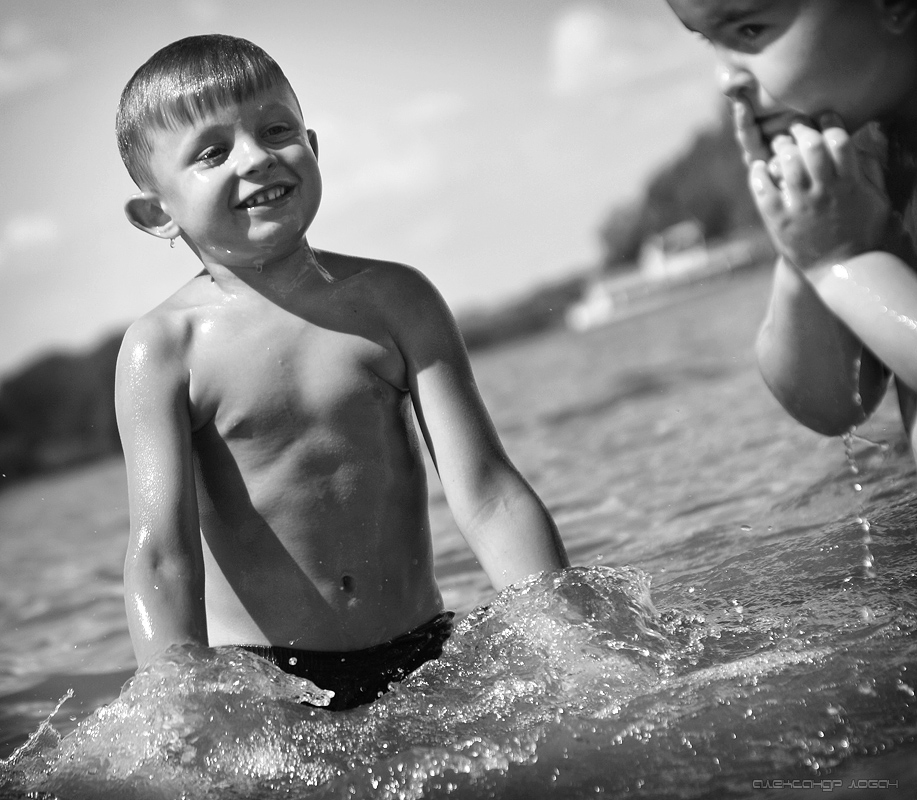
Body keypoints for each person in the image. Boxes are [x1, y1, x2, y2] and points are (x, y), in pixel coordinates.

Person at [114, 34, 569, 710]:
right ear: (158, 213)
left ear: (313, 147)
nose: (257, 156)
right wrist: (186, 709)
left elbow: (489, 494)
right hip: (272, 684)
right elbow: (161, 558)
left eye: (276, 130)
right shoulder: (163, 350)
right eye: (212, 151)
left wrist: (566, 633)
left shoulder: (395, 300)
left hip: (425, 652)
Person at [664, 0, 917, 463]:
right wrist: (804, 245)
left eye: (749, 31)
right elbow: (835, 407)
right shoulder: (863, 168)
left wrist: (840, 265)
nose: (727, 81)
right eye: (708, 41)